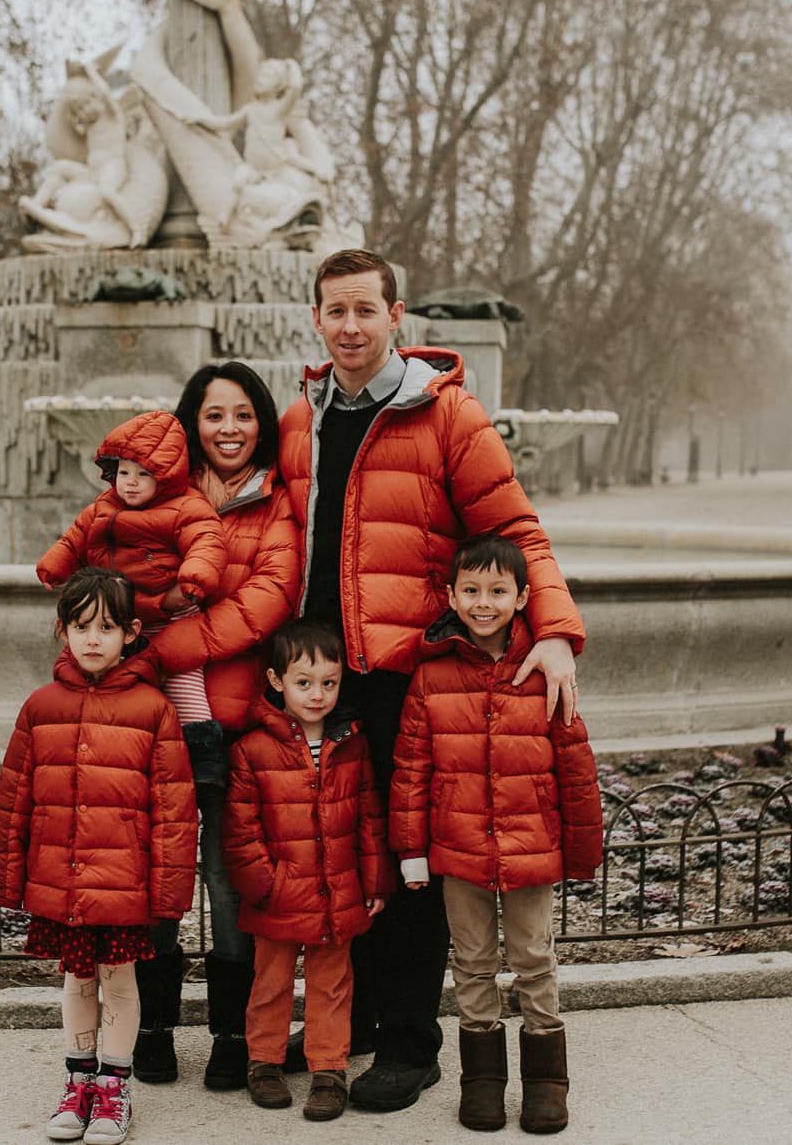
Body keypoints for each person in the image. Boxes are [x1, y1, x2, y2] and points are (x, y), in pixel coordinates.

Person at [277, 247, 586, 1113]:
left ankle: (413, 1045)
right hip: (318, 679)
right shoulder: (300, 418)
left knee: (405, 860)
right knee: (341, 854)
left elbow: (517, 530)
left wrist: (555, 630)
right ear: (315, 318)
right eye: (334, 311)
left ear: (396, 315)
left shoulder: (447, 415)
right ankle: (362, 1017)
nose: (349, 326)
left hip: (405, 676)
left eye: (364, 311)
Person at [391, 534, 603, 1133]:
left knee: (534, 958)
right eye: (472, 590)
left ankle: (546, 1081)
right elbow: (411, 772)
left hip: (531, 848)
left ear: (522, 597)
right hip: (459, 851)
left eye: (498, 591)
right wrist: (411, 850)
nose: (484, 602)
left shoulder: (545, 671)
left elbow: (575, 765)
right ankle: (481, 1079)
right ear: (451, 595)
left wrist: (583, 850)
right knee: (474, 962)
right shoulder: (431, 679)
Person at [132, 363, 302, 1088]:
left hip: (236, 732)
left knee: (233, 886)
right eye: (213, 415)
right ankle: (152, 1028)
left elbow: (267, 601)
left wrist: (161, 635)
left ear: (261, 422)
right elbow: (111, 589)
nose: (229, 428)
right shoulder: (147, 497)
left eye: (242, 414)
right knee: (157, 878)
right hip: (155, 730)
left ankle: (233, 1035)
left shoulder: (279, 506)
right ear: (190, 422)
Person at [0, 567, 198, 1145]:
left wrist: (169, 892)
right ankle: (77, 1082)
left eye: (106, 627)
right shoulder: (40, 707)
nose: (93, 638)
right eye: (81, 626)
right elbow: (15, 797)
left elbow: (174, 811)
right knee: (78, 980)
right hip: (60, 877)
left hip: (122, 882)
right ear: (63, 631)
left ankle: (114, 1086)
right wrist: (6, 876)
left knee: (120, 981)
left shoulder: (152, 709)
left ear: (131, 632)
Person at [222, 620, 392, 1122]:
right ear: (277, 681)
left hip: (337, 889)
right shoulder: (251, 749)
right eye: (303, 682)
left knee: (332, 983)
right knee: (270, 982)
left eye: (329, 683)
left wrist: (375, 880)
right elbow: (241, 829)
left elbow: (368, 817)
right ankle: (265, 1062)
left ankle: (328, 1068)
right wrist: (264, 885)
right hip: (277, 893)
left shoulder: (351, 744)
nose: (317, 695)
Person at [37, 410, 228, 719]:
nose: (131, 484)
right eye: (124, 473)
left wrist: (195, 577)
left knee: (186, 691)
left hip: (172, 618)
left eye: (143, 475)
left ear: (166, 477)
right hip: (118, 618)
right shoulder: (104, 504)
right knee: (115, 690)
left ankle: (200, 752)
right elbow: (76, 537)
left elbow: (206, 540)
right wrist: (54, 566)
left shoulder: (187, 506)